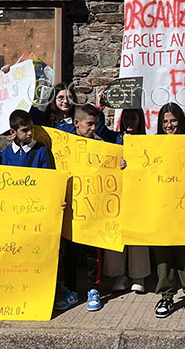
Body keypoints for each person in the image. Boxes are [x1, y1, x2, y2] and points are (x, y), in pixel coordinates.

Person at [149, 103, 185, 319]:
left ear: (180, 121)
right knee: (162, 254)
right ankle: (166, 296)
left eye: (173, 120)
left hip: (184, 207)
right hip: (160, 208)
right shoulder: (152, 145)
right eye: (165, 122)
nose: (169, 125)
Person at [56, 104, 104, 312]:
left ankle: (94, 289)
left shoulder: (102, 145)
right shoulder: (64, 144)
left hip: (93, 208)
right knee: (70, 253)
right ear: (76, 123)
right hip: (70, 208)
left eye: (95, 124)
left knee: (92, 253)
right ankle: (71, 290)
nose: (93, 128)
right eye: (89, 124)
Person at [103, 108, 151, 294]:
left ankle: (138, 275)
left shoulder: (147, 141)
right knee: (116, 233)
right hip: (116, 192)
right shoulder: (113, 138)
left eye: (133, 118)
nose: (129, 122)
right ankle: (119, 275)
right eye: (126, 118)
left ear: (140, 120)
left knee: (138, 235)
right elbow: (98, 127)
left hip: (138, 193)